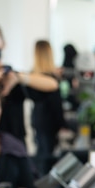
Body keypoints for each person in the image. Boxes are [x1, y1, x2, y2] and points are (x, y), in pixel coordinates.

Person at [0, 20, 60, 145]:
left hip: (13, 145)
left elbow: (52, 84)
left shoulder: (13, 77)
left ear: (2, 43)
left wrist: (18, 78)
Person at [30, 40, 67, 174]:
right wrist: (63, 123)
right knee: (47, 158)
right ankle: (45, 186)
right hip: (49, 122)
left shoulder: (33, 77)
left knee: (42, 154)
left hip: (37, 120)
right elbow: (56, 105)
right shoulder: (51, 79)